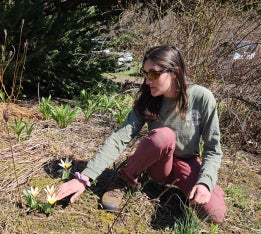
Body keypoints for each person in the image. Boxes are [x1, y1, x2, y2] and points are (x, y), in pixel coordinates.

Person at [56, 45, 226, 223]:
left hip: (186, 162)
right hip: (158, 163)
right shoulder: (148, 99)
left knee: (214, 213)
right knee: (164, 136)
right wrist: (84, 177)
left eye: (153, 74)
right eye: (145, 73)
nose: (147, 81)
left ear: (174, 71)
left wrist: (205, 182)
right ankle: (125, 178)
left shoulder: (201, 97)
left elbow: (213, 150)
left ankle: (193, 187)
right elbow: (120, 138)